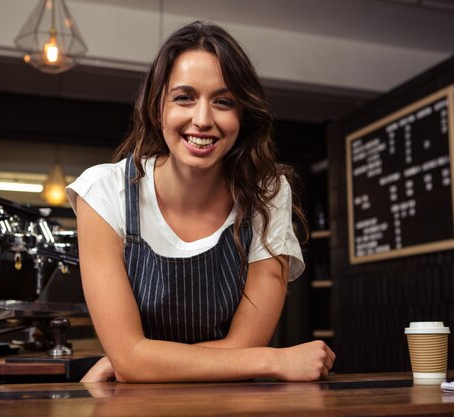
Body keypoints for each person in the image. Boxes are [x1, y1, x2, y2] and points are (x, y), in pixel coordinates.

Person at [66, 21, 335, 383]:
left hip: (229, 401)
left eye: (223, 102)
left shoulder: (267, 193)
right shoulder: (103, 191)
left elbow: (246, 342)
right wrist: (272, 361)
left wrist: (142, 361)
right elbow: (131, 359)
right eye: (184, 98)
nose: (203, 119)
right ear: (158, 107)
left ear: (242, 116)